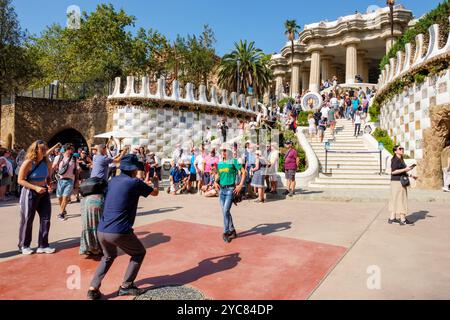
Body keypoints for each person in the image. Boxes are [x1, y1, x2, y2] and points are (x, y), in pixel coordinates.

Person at [87, 154, 159, 300]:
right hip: (119, 230)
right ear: (134, 169)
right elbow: (155, 193)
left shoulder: (112, 181)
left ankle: (93, 288)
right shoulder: (135, 183)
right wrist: (155, 182)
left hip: (102, 229)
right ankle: (126, 286)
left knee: (108, 256)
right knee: (138, 253)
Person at [17, 141, 60, 255]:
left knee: (46, 219)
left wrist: (49, 185)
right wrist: (35, 188)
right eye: (42, 149)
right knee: (28, 219)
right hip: (30, 192)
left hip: (43, 192)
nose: (45, 151)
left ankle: (43, 245)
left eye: (45, 149)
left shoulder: (47, 162)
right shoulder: (28, 162)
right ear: (36, 150)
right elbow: (20, 180)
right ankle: (24, 245)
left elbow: (48, 177)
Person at [214, 144, 247, 243]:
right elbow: (218, 174)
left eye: (225, 150)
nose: (223, 152)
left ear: (228, 151)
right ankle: (232, 230)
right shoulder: (219, 163)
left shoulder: (234, 161)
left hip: (230, 190)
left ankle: (226, 232)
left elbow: (243, 172)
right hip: (221, 190)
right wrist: (215, 182)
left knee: (225, 211)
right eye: (222, 151)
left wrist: (240, 185)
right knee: (226, 212)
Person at [388, 145, 418, 225]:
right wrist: (405, 169)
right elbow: (393, 171)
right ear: (395, 151)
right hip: (397, 182)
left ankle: (392, 218)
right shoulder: (395, 160)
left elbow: (403, 171)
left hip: (397, 181)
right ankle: (402, 219)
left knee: (396, 199)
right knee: (401, 199)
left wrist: (411, 175)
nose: (402, 150)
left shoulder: (400, 159)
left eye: (402, 148)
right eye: (400, 149)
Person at [79, 177, 108, 256]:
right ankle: (97, 248)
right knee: (98, 224)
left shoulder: (88, 188)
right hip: (98, 200)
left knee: (87, 224)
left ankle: (88, 248)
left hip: (85, 201)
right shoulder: (103, 185)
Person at [52, 144, 78, 221]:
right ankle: (63, 209)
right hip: (60, 180)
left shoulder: (74, 158)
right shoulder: (58, 157)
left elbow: (76, 170)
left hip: (70, 180)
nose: (73, 150)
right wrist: (50, 178)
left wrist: (76, 181)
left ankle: (62, 213)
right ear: (67, 149)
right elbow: (53, 167)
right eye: (71, 149)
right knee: (59, 197)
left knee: (65, 197)